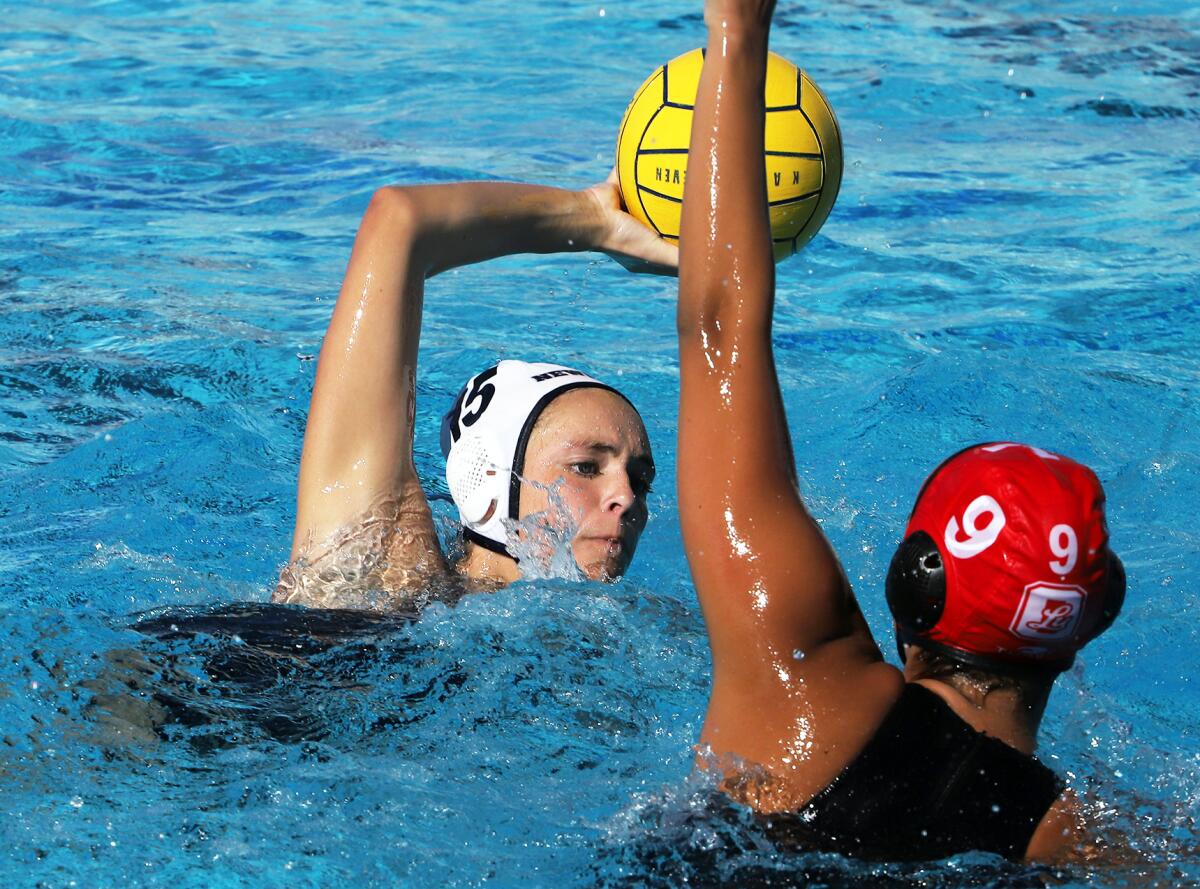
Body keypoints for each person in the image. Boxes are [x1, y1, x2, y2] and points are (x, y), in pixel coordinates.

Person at [675, 0, 1125, 863]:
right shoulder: (1091, 838)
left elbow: (720, 330)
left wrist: (737, 33)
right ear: (1095, 616)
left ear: (915, 583)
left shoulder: (803, 684)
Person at [275, 175, 675, 611]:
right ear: (488, 480)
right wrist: (596, 220)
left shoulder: (633, 633)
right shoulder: (382, 569)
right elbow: (401, 221)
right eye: (585, 467)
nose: (628, 498)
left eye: (641, 480)